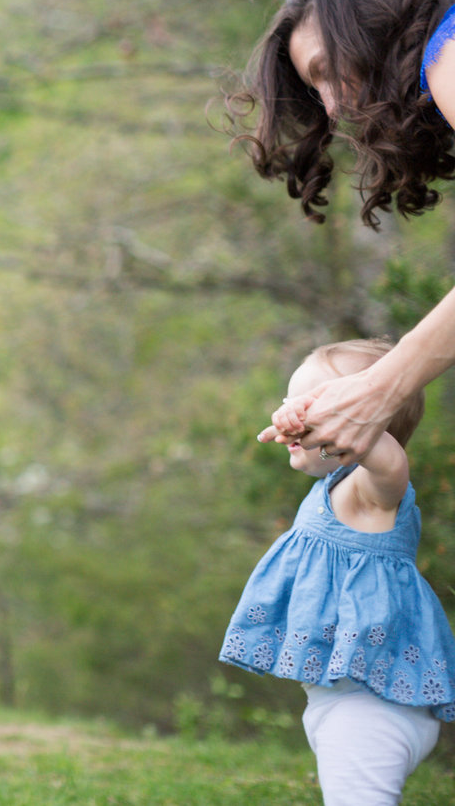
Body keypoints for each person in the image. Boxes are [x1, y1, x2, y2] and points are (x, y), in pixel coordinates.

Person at [228, 0, 455, 464]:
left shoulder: (447, 54)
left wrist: (385, 386)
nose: (334, 107)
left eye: (327, 69)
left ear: (367, 23)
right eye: (316, 89)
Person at [220, 339, 455, 805]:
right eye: (290, 403)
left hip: (371, 708)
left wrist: (365, 419)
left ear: (364, 421)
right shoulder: (336, 486)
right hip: (341, 702)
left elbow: (387, 460)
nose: (290, 416)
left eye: (312, 407)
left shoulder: (372, 490)